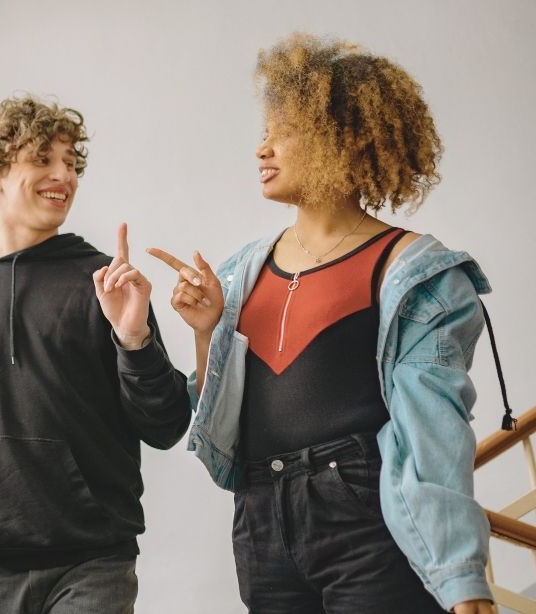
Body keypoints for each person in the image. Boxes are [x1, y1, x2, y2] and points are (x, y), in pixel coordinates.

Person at [150, 33, 494, 613]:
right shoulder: (237, 275)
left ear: (344, 140)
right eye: (263, 133)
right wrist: (208, 330)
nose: (263, 149)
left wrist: (461, 577)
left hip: (365, 517)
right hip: (261, 517)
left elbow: (435, 430)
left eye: (284, 132)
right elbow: (220, 416)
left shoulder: (412, 274)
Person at [0, 96, 192, 613]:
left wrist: (134, 339)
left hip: (91, 560)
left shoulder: (105, 282)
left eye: (71, 163)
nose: (64, 175)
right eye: (43, 159)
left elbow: (167, 424)